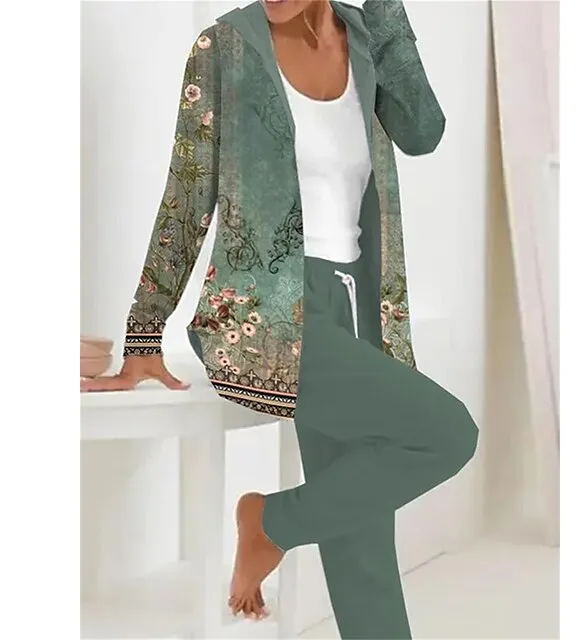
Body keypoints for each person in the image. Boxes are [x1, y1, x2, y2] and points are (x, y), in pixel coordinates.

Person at [81, 1, 479, 637]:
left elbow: (422, 131)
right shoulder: (223, 48)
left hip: (359, 302)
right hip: (262, 314)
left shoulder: (366, 37)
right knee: (448, 433)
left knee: (360, 534)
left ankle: (270, 524)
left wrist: (385, 11)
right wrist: (143, 333)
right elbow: (188, 192)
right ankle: (270, 523)